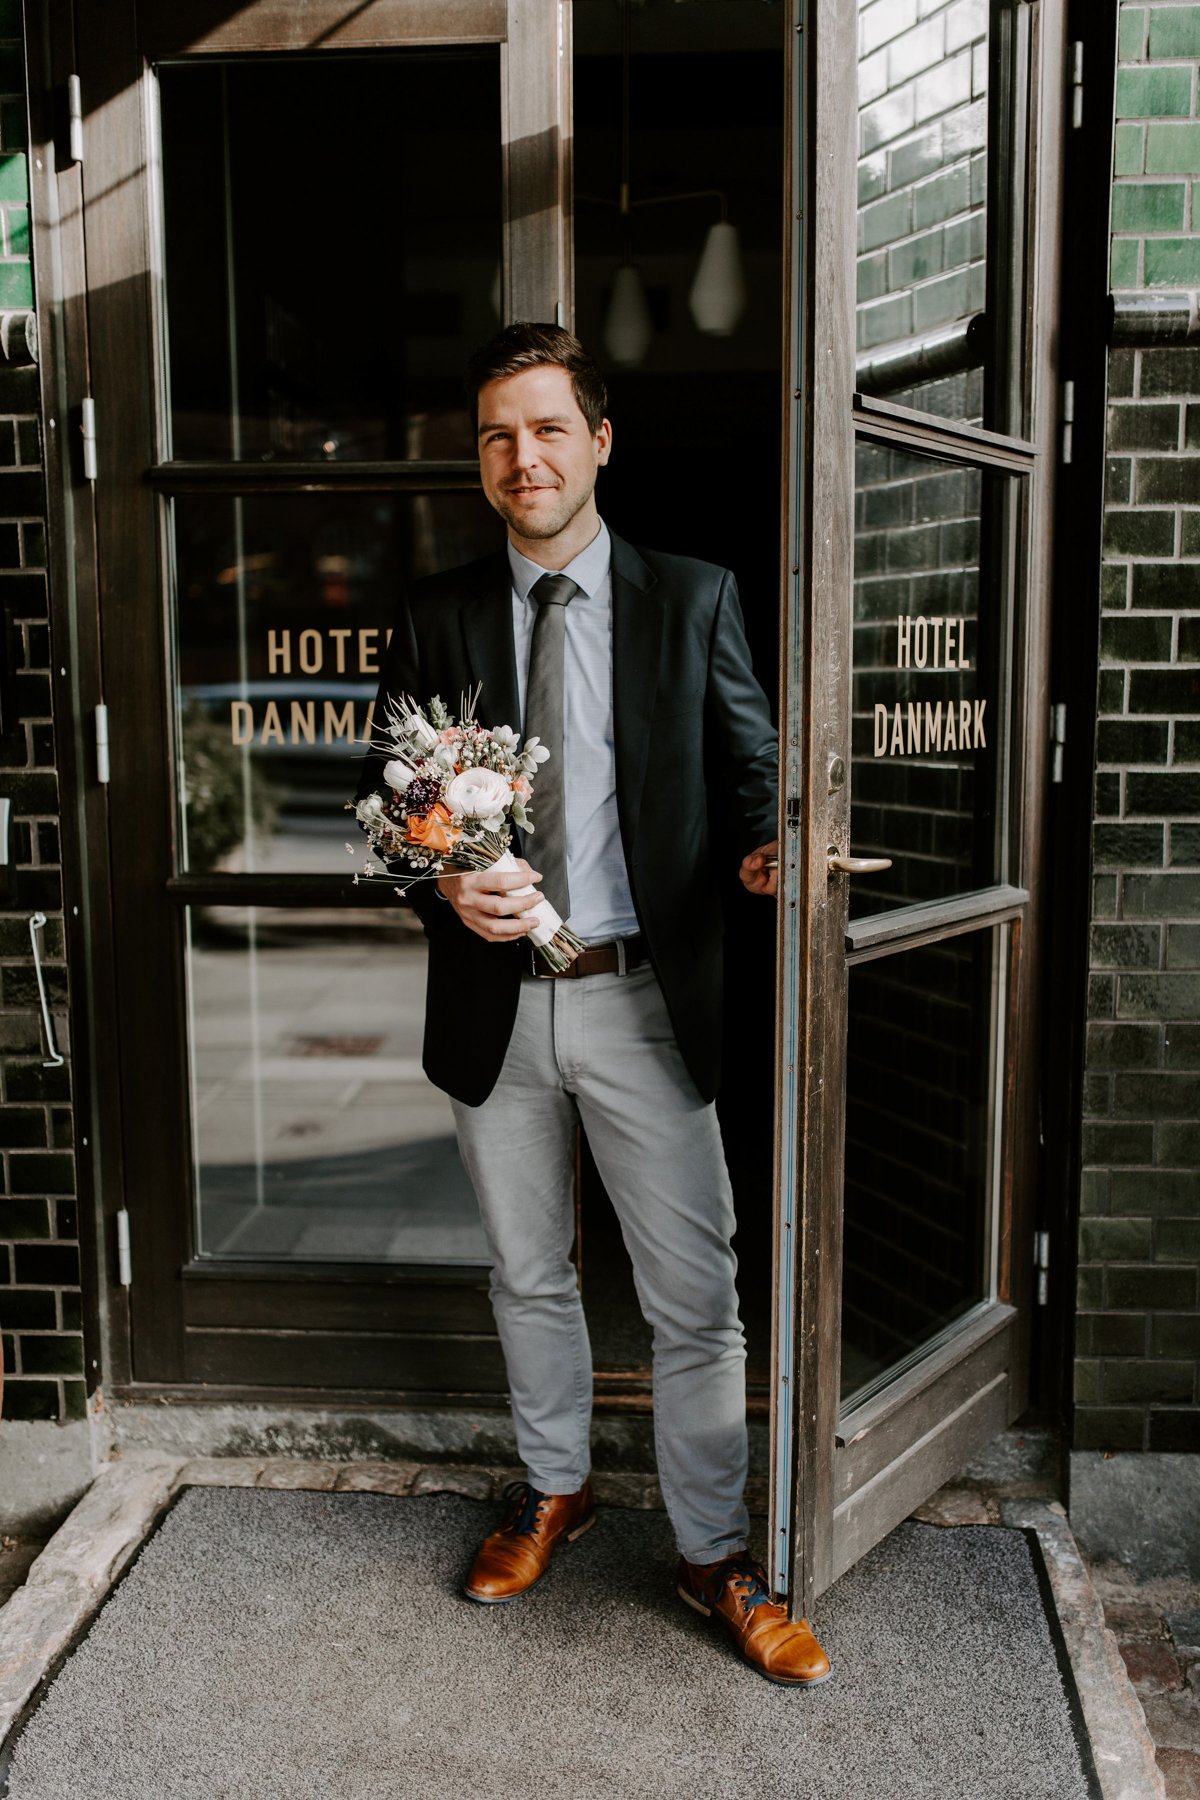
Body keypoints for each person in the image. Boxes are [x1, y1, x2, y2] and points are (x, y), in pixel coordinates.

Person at [358, 322, 830, 1686]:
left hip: (642, 997)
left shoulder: (695, 598)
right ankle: (554, 1489)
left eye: (550, 427)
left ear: (600, 442)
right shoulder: (437, 614)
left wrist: (763, 856)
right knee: (528, 1273)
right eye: (500, 433)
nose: (525, 456)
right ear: (482, 459)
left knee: (694, 1294)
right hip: (494, 1005)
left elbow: (751, 785)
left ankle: (712, 1554)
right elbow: (399, 817)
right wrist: (439, 886)